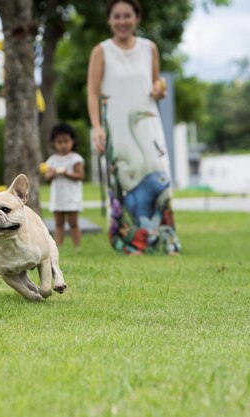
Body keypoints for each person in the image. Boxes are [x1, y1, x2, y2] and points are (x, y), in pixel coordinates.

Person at [87, 0, 181, 255]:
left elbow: (156, 86)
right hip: (116, 126)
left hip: (147, 122)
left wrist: (160, 90)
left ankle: (164, 239)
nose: (122, 21)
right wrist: (97, 127)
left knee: (159, 175)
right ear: (109, 20)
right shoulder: (101, 51)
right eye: (116, 16)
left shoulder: (149, 48)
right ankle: (126, 239)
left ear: (137, 18)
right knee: (121, 181)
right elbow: (92, 92)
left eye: (127, 16)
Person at [43, 123, 85, 248]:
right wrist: (52, 173)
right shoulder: (52, 160)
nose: (63, 145)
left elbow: (80, 175)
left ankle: (77, 246)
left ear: (73, 141)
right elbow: (47, 176)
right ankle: (58, 247)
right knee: (58, 224)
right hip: (58, 196)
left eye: (66, 141)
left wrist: (66, 173)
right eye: (59, 142)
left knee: (73, 223)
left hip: (71, 196)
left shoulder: (75, 159)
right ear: (54, 143)